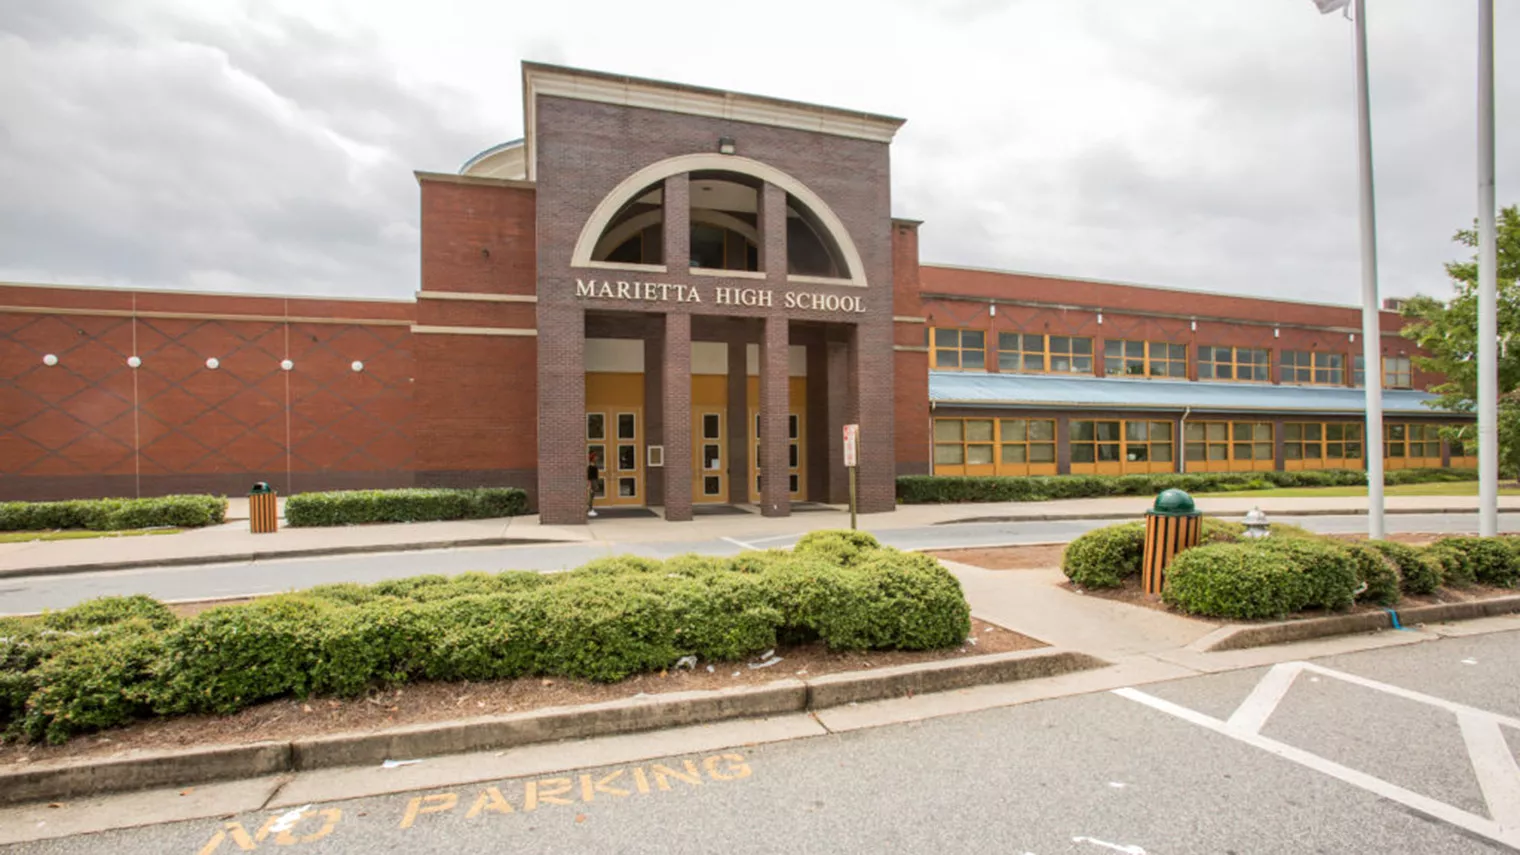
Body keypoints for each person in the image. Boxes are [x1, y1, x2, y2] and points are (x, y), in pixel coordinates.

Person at [586, 451, 600, 518]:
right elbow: (589, 477)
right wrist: (590, 485)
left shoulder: (594, 465)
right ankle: (590, 510)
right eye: (596, 457)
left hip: (595, 481)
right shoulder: (590, 467)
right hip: (592, 481)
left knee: (592, 496)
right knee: (590, 496)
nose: (597, 458)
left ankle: (590, 509)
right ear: (593, 458)